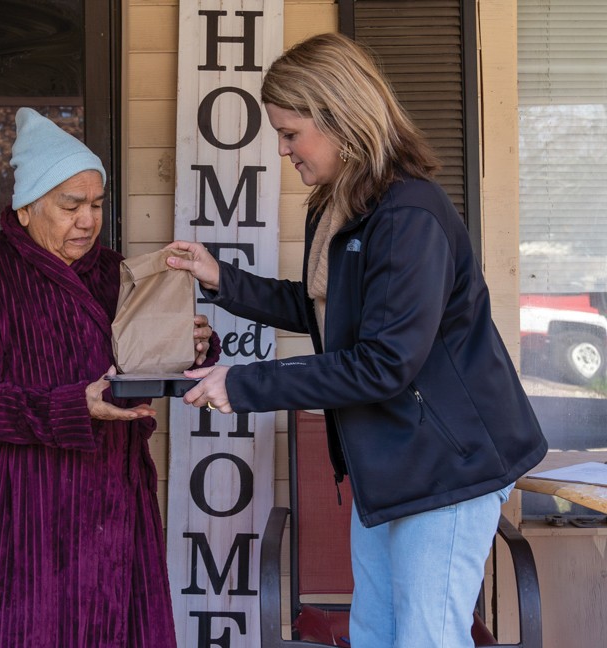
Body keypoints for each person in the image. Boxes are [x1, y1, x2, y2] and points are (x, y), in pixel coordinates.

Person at [166, 33, 547, 648]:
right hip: (392, 464)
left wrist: (243, 383)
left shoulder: (408, 217)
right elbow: (322, 312)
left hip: (450, 466)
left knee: (426, 637)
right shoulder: (340, 207)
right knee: (374, 633)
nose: (284, 150)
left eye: (292, 134)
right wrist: (221, 279)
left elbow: (383, 364)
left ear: (341, 118)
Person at [0, 107, 219, 647]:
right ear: (25, 209)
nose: (87, 221)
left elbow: (154, 357)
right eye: (70, 206)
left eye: (94, 204)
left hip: (118, 498)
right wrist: (70, 408)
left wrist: (197, 346)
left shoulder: (116, 271)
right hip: (32, 504)